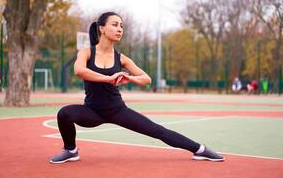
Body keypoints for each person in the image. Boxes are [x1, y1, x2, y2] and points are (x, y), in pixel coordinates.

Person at [50, 12, 224, 164]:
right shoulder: (87, 53)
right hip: (92, 112)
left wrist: (129, 78)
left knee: (159, 131)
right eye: (115, 25)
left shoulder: (121, 58)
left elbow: (146, 79)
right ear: (102, 28)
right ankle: (71, 150)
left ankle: (200, 149)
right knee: (65, 113)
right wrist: (108, 78)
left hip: (118, 110)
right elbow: (79, 71)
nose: (120, 29)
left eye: (121, 26)